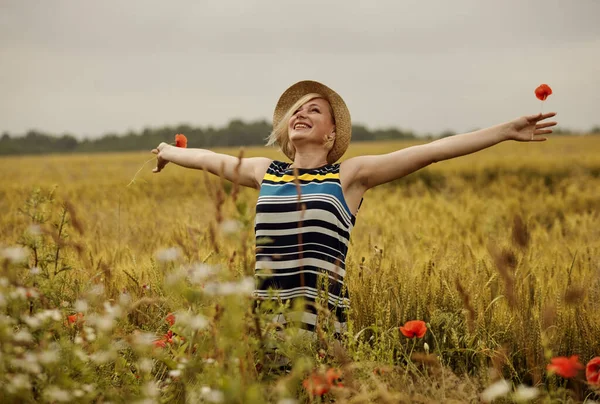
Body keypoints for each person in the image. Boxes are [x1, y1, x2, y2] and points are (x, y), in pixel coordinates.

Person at [151, 80, 557, 338]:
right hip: (267, 323)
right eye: (296, 111)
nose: (300, 114)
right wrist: (169, 151)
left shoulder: (349, 177)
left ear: (331, 134)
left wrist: (504, 131)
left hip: (322, 329)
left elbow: (430, 152)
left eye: (314, 110)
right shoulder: (266, 172)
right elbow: (208, 158)